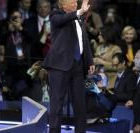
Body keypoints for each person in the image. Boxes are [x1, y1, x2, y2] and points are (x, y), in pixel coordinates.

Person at [43, 0, 95, 133]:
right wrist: (79, 12)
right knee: (57, 104)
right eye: (72, 2)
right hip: (59, 66)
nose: (76, 4)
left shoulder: (78, 17)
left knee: (80, 103)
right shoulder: (55, 15)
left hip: (78, 66)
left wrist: (89, 61)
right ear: (63, 5)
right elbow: (62, 20)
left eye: (76, 2)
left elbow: (84, 40)